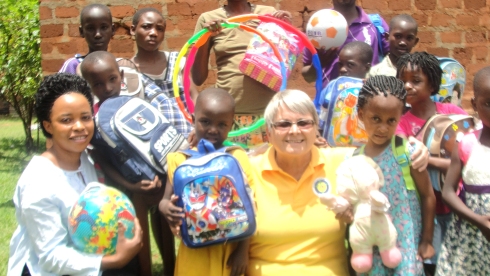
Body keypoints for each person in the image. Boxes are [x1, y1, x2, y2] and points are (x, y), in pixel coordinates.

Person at [246, 89, 431, 275]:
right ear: (269, 133)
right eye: (283, 124)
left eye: (303, 123)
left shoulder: (345, 162)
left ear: (316, 128)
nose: (295, 130)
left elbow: (385, 151)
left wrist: (415, 148)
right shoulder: (248, 171)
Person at [7, 73, 142, 275]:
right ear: (48, 126)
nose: (79, 126)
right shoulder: (38, 182)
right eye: (66, 120)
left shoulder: (86, 161)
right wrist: (114, 260)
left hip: (89, 257)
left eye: (85, 117)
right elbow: (51, 256)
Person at [80, 51, 175, 276]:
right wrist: (131, 186)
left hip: (160, 176)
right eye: (98, 84)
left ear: (121, 75)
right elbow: (102, 161)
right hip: (130, 187)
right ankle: (145, 271)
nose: (108, 87)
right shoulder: (95, 118)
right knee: (137, 231)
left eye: (112, 79)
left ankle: (172, 269)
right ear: (90, 86)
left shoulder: (135, 103)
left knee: (165, 227)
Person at [159, 87, 255, 276]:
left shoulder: (236, 157)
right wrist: (165, 208)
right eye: (205, 122)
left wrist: (243, 251)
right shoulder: (180, 160)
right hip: (195, 252)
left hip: (230, 247)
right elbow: (164, 199)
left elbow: (250, 206)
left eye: (222, 124)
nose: (213, 129)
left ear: (231, 125)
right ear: (193, 120)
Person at [395, 51, 467, 273]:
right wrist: (448, 161)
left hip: (458, 206)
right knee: (431, 265)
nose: (407, 86)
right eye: (402, 81)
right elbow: (408, 160)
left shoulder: (453, 113)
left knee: (458, 263)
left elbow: (468, 159)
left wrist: (428, 159)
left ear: (433, 84)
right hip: (426, 211)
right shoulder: (401, 124)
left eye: (416, 81)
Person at [356, 75, 435, 275]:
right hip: (372, 252)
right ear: (361, 114)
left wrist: (426, 241)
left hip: (406, 248)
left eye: (391, 120)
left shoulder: (407, 153)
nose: (383, 127)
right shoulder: (354, 159)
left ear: (400, 117)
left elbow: (428, 196)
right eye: (375, 119)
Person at [191, 0, 292, 147]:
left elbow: (284, 61)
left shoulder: (268, 14)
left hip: (268, 115)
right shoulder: (209, 19)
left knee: (265, 168)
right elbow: (198, 78)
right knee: (232, 167)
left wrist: (285, 27)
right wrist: (205, 37)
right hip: (226, 121)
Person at [437, 66, 490, 275]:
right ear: (474, 104)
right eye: (489, 104)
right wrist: (477, 220)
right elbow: (448, 192)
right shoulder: (467, 144)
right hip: (472, 235)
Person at [130, 7, 194, 138]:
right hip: (153, 144)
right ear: (133, 30)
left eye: (159, 29)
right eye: (146, 27)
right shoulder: (128, 72)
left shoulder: (178, 62)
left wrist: (200, 124)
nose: (153, 33)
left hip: (188, 137)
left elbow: (193, 95)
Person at [302, 0, 389, 87]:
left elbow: (395, 61)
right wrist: (318, 65)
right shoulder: (317, 27)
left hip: (369, 96)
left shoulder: (375, 25)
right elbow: (308, 78)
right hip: (330, 98)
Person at [316, 41, 373, 140]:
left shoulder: (374, 89)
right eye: (340, 64)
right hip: (332, 146)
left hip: (363, 148)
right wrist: (317, 136)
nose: (342, 69)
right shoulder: (331, 88)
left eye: (350, 65)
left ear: (366, 67)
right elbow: (318, 115)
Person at [59, 4, 115, 75]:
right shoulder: (73, 66)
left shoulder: (118, 66)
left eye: (103, 27)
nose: (98, 34)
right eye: (90, 28)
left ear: (112, 30)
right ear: (82, 31)